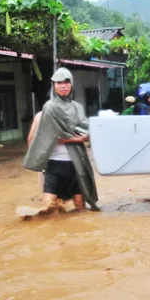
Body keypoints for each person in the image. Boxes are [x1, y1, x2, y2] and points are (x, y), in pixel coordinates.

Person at [23, 67, 99, 211]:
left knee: (80, 205)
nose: (63, 86)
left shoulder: (77, 108)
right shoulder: (48, 109)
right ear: (54, 86)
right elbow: (40, 137)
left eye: (66, 82)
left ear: (71, 84)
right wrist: (76, 139)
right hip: (54, 163)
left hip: (76, 163)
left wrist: (87, 135)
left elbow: (88, 129)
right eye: (59, 83)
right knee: (48, 206)